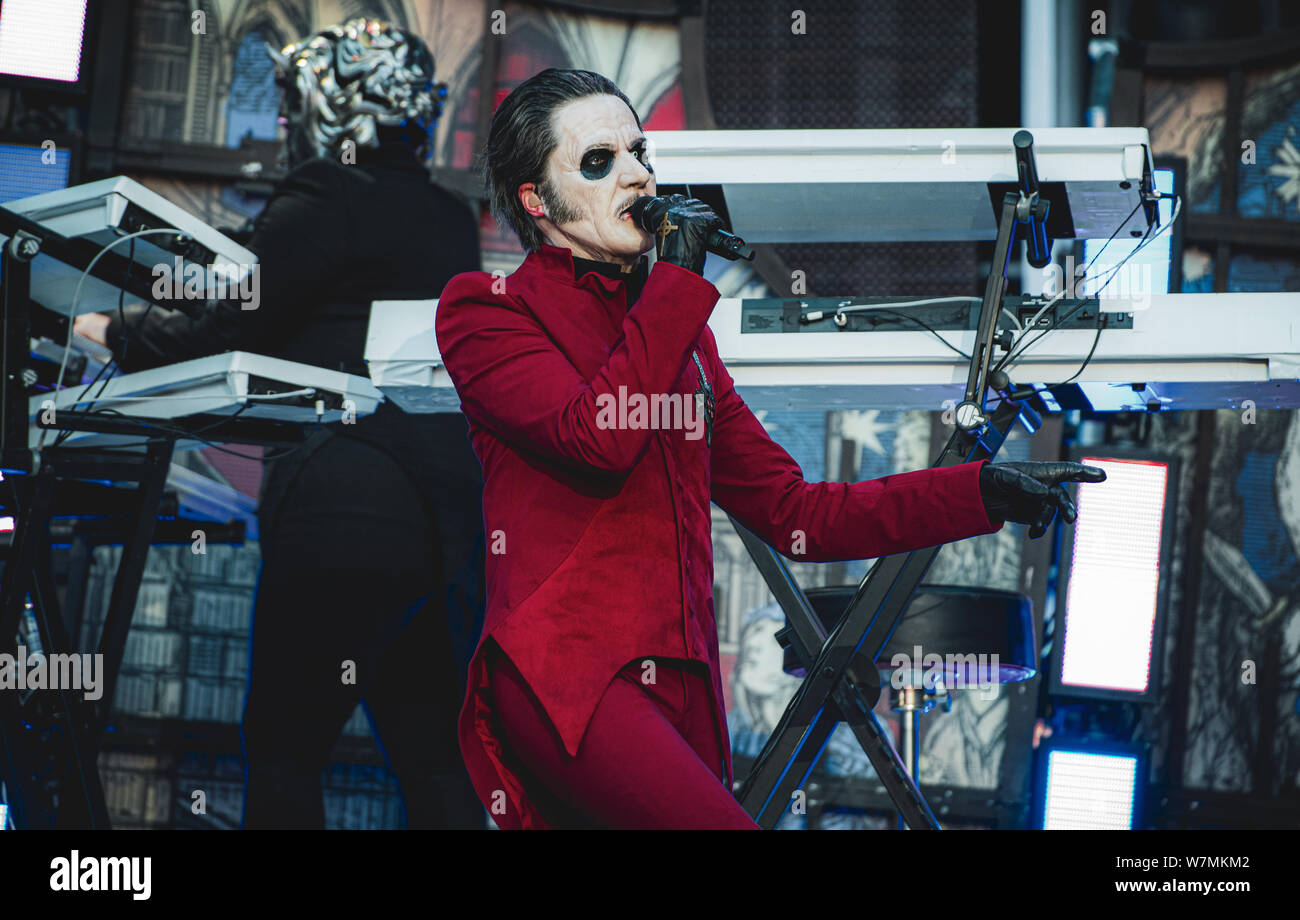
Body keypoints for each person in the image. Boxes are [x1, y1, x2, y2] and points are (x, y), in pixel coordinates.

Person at [435, 67, 1105, 829]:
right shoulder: (488, 314)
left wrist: (979, 491)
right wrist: (678, 284)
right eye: (598, 162)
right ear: (537, 200)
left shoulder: (682, 342)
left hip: (684, 692)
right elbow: (598, 440)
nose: (636, 175)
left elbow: (797, 516)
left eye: (640, 152)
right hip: (568, 678)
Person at [76, 19, 486, 828]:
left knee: (285, 750)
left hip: (348, 498)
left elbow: (232, 325)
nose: (289, 122)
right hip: (443, 516)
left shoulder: (326, 194)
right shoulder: (448, 218)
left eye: (297, 103)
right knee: (435, 761)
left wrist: (111, 333)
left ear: (327, 107)